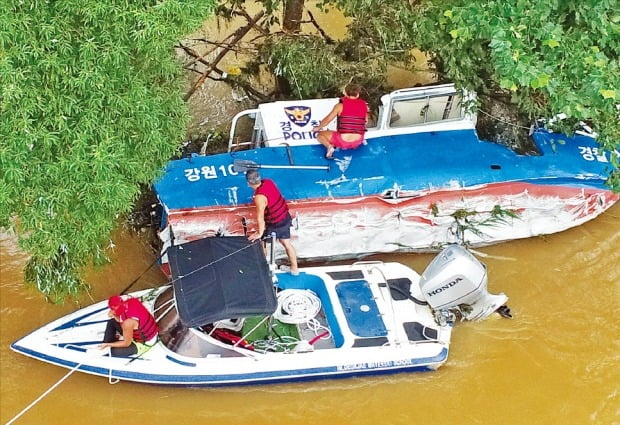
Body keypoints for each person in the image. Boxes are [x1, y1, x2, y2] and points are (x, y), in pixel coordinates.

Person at [246, 169, 299, 275]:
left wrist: (260, 233)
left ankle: (263, 269)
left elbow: (260, 217)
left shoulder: (259, 197)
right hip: (284, 217)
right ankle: (294, 269)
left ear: (248, 183)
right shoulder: (268, 182)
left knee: (262, 243)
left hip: (274, 223)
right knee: (286, 243)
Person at [312, 83, 369, 159]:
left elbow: (327, 120)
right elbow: (366, 121)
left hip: (342, 141)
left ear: (345, 93)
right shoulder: (364, 105)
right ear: (358, 94)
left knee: (320, 135)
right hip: (358, 141)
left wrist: (318, 128)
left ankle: (329, 147)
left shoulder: (340, 106)